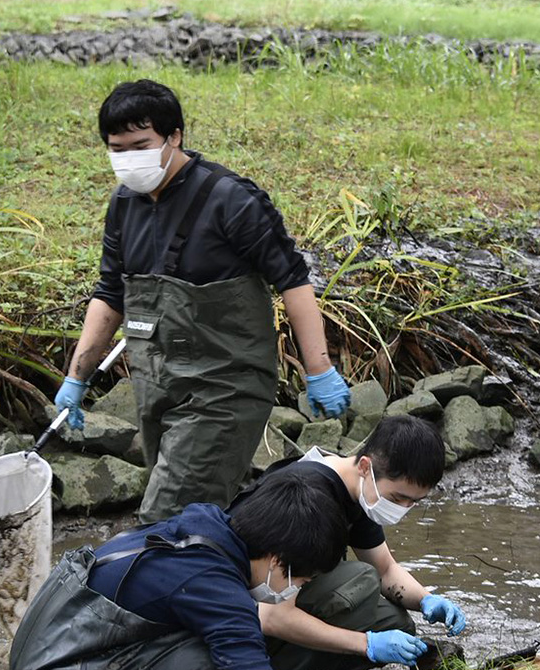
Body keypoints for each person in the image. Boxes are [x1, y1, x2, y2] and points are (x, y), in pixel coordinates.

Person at [54, 79, 350, 524]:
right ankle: (259, 581)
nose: (128, 159)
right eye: (117, 149)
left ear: (175, 137)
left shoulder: (231, 200)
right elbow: (110, 292)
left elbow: (293, 280)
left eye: (140, 145)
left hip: (224, 389)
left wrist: (320, 369)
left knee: (165, 520)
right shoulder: (124, 204)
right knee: (198, 518)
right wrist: (76, 379)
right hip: (158, 388)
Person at [8, 470, 363, 670]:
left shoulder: (202, 527)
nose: (294, 590)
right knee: (224, 666)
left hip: (44, 668)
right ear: (275, 559)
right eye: (301, 579)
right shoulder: (217, 586)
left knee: (215, 640)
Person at [229, 415, 466, 670]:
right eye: (398, 499)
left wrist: (426, 600)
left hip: (277, 603)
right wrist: (367, 645)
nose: (403, 508)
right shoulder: (310, 496)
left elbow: (386, 569)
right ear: (366, 466)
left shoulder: (361, 492)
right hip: (242, 609)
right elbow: (273, 615)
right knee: (360, 580)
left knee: (394, 622)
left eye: (414, 502)